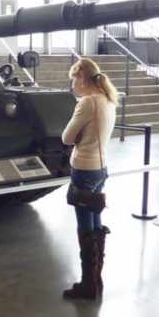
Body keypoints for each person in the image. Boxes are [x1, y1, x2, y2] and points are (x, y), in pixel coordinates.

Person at [60, 57, 117, 300]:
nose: (72, 84)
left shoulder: (87, 102)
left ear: (81, 78)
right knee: (95, 223)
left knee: (85, 226)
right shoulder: (108, 100)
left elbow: (66, 137)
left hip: (84, 168)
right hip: (100, 168)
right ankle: (96, 279)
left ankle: (88, 285)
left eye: (73, 79)